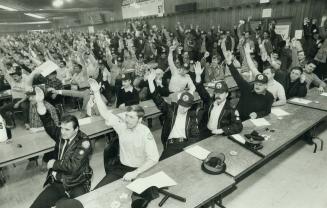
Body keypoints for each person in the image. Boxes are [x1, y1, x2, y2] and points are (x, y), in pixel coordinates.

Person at [88, 78, 159, 189]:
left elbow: (154, 158)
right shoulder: (122, 126)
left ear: (140, 120)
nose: (127, 120)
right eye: (126, 116)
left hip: (139, 170)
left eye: (131, 117)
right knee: (99, 190)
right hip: (121, 167)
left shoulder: (145, 132)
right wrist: (97, 93)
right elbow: (105, 113)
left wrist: (136, 173)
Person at [30, 87, 93, 208]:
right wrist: (40, 102)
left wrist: (54, 164)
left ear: (76, 129)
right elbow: (47, 120)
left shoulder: (84, 142)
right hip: (59, 181)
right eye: (62, 128)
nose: (63, 132)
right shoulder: (61, 133)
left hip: (77, 182)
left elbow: (73, 166)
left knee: (82, 206)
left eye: (67, 129)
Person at [147, 70, 200, 160]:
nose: (183, 108)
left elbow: (195, 135)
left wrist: (189, 147)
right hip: (171, 145)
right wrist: (150, 82)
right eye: (181, 105)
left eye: (186, 106)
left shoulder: (192, 115)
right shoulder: (171, 110)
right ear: (178, 103)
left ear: (190, 107)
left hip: (186, 145)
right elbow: (157, 99)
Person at [193, 62, 243, 137]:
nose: (218, 96)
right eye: (216, 93)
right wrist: (197, 75)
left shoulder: (230, 108)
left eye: (221, 93)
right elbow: (200, 89)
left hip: (218, 135)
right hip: (205, 133)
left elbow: (238, 126)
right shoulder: (210, 102)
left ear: (226, 94)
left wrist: (222, 130)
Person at [227, 52, 274, 121]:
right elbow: (238, 77)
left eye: (260, 85)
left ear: (266, 86)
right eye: (256, 84)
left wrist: (257, 114)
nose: (257, 86)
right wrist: (230, 64)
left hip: (253, 121)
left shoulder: (269, 96)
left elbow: (267, 111)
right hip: (238, 118)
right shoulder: (247, 88)